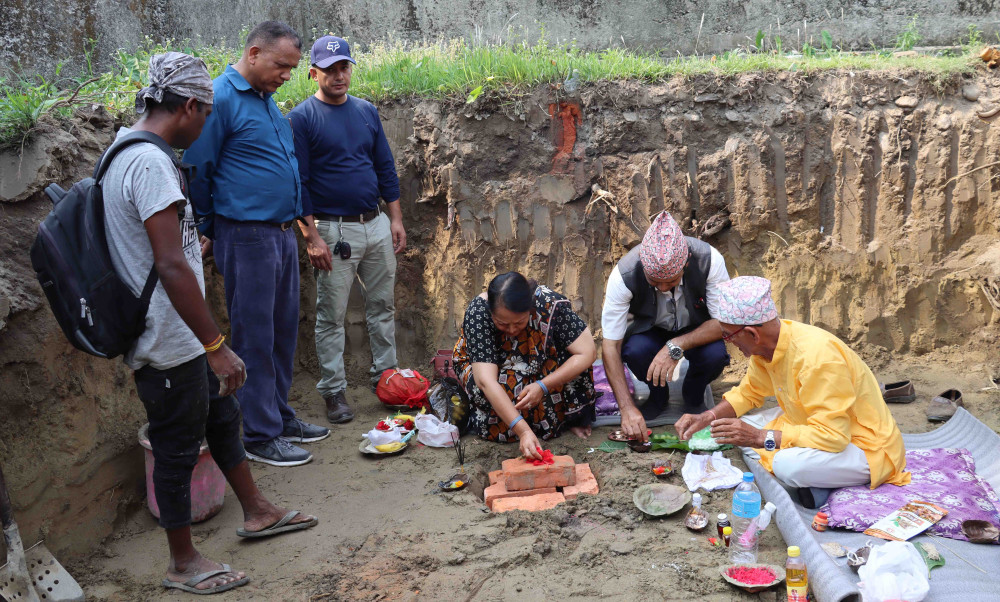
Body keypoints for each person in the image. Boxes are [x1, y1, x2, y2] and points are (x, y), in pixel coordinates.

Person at [103, 52, 318, 595]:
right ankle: (182, 562)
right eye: (206, 116)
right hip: (167, 339)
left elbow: (166, 246)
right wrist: (216, 343)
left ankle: (257, 508)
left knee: (222, 417)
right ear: (192, 105)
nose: (205, 129)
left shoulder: (126, 151)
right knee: (176, 450)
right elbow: (169, 263)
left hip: (180, 333)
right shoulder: (149, 163)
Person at [184, 21, 329, 466]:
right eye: (281, 65)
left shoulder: (266, 102)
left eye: (291, 67)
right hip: (246, 234)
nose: (288, 74)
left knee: (283, 331)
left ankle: (279, 415)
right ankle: (260, 435)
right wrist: (212, 224)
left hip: (282, 234)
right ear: (253, 54)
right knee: (254, 334)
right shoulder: (221, 98)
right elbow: (197, 169)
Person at [675, 276, 911, 509]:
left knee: (786, 465)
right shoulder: (767, 346)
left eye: (728, 336)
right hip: (810, 423)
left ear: (752, 334)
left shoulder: (817, 359)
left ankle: (822, 483)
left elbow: (834, 437)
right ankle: (819, 480)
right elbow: (748, 393)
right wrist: (708, 417)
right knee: (734, 429)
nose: (729, 343)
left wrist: (761, 437)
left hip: (863, 444)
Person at [288, 35, 405, 424]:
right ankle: (334, 392)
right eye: (330, 69)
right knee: (331, 316)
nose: (339, 76)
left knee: (382, 307)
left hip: (375, 224)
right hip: (333, 231)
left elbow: (385, 168)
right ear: (313, 73)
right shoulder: (301, 119)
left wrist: (396, 219)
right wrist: (311, 236)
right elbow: (298, 182)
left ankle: (387, 380)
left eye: (344, 68)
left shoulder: (366, 112)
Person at [601, 211, 731, 443]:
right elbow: (611, 345)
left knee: (715, 354)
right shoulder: (624, 275)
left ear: (686, 264)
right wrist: (627, 408)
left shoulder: (708, 260)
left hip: (697, 328)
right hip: (651, 329)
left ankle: (693, 391)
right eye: (654, 281)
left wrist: (675, 345)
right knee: (634, 351)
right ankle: (657, 396)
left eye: (670, 282)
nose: (662, 288)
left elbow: (725, 323)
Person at [452, 273, 598, 459]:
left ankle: (570, 418)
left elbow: (588, 352)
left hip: (536, 362)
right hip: (489, 367)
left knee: (573, 365)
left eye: (519, 322)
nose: (512, 330)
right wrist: (522, 431)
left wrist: (542, 386)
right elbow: (486, 381)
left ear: (530, 308)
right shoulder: (478, 313)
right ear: (491, 312)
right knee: (510, 392)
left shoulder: (548, 304)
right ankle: (524, 427)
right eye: (502, 324)